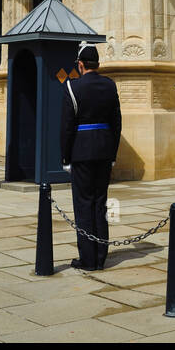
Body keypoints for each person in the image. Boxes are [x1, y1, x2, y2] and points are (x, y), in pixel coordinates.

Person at [60, 43, 121, 271]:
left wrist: (65, 158)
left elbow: (67, 126)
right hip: (104, 150)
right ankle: (101, 255)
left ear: (80, 64)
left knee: (83, 205)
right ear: (98, 64)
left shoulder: (72, 86)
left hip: (82, 151)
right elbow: (117, 122)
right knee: (100, 203)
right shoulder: (109, 85)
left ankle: (88, 258)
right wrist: (113, 153)